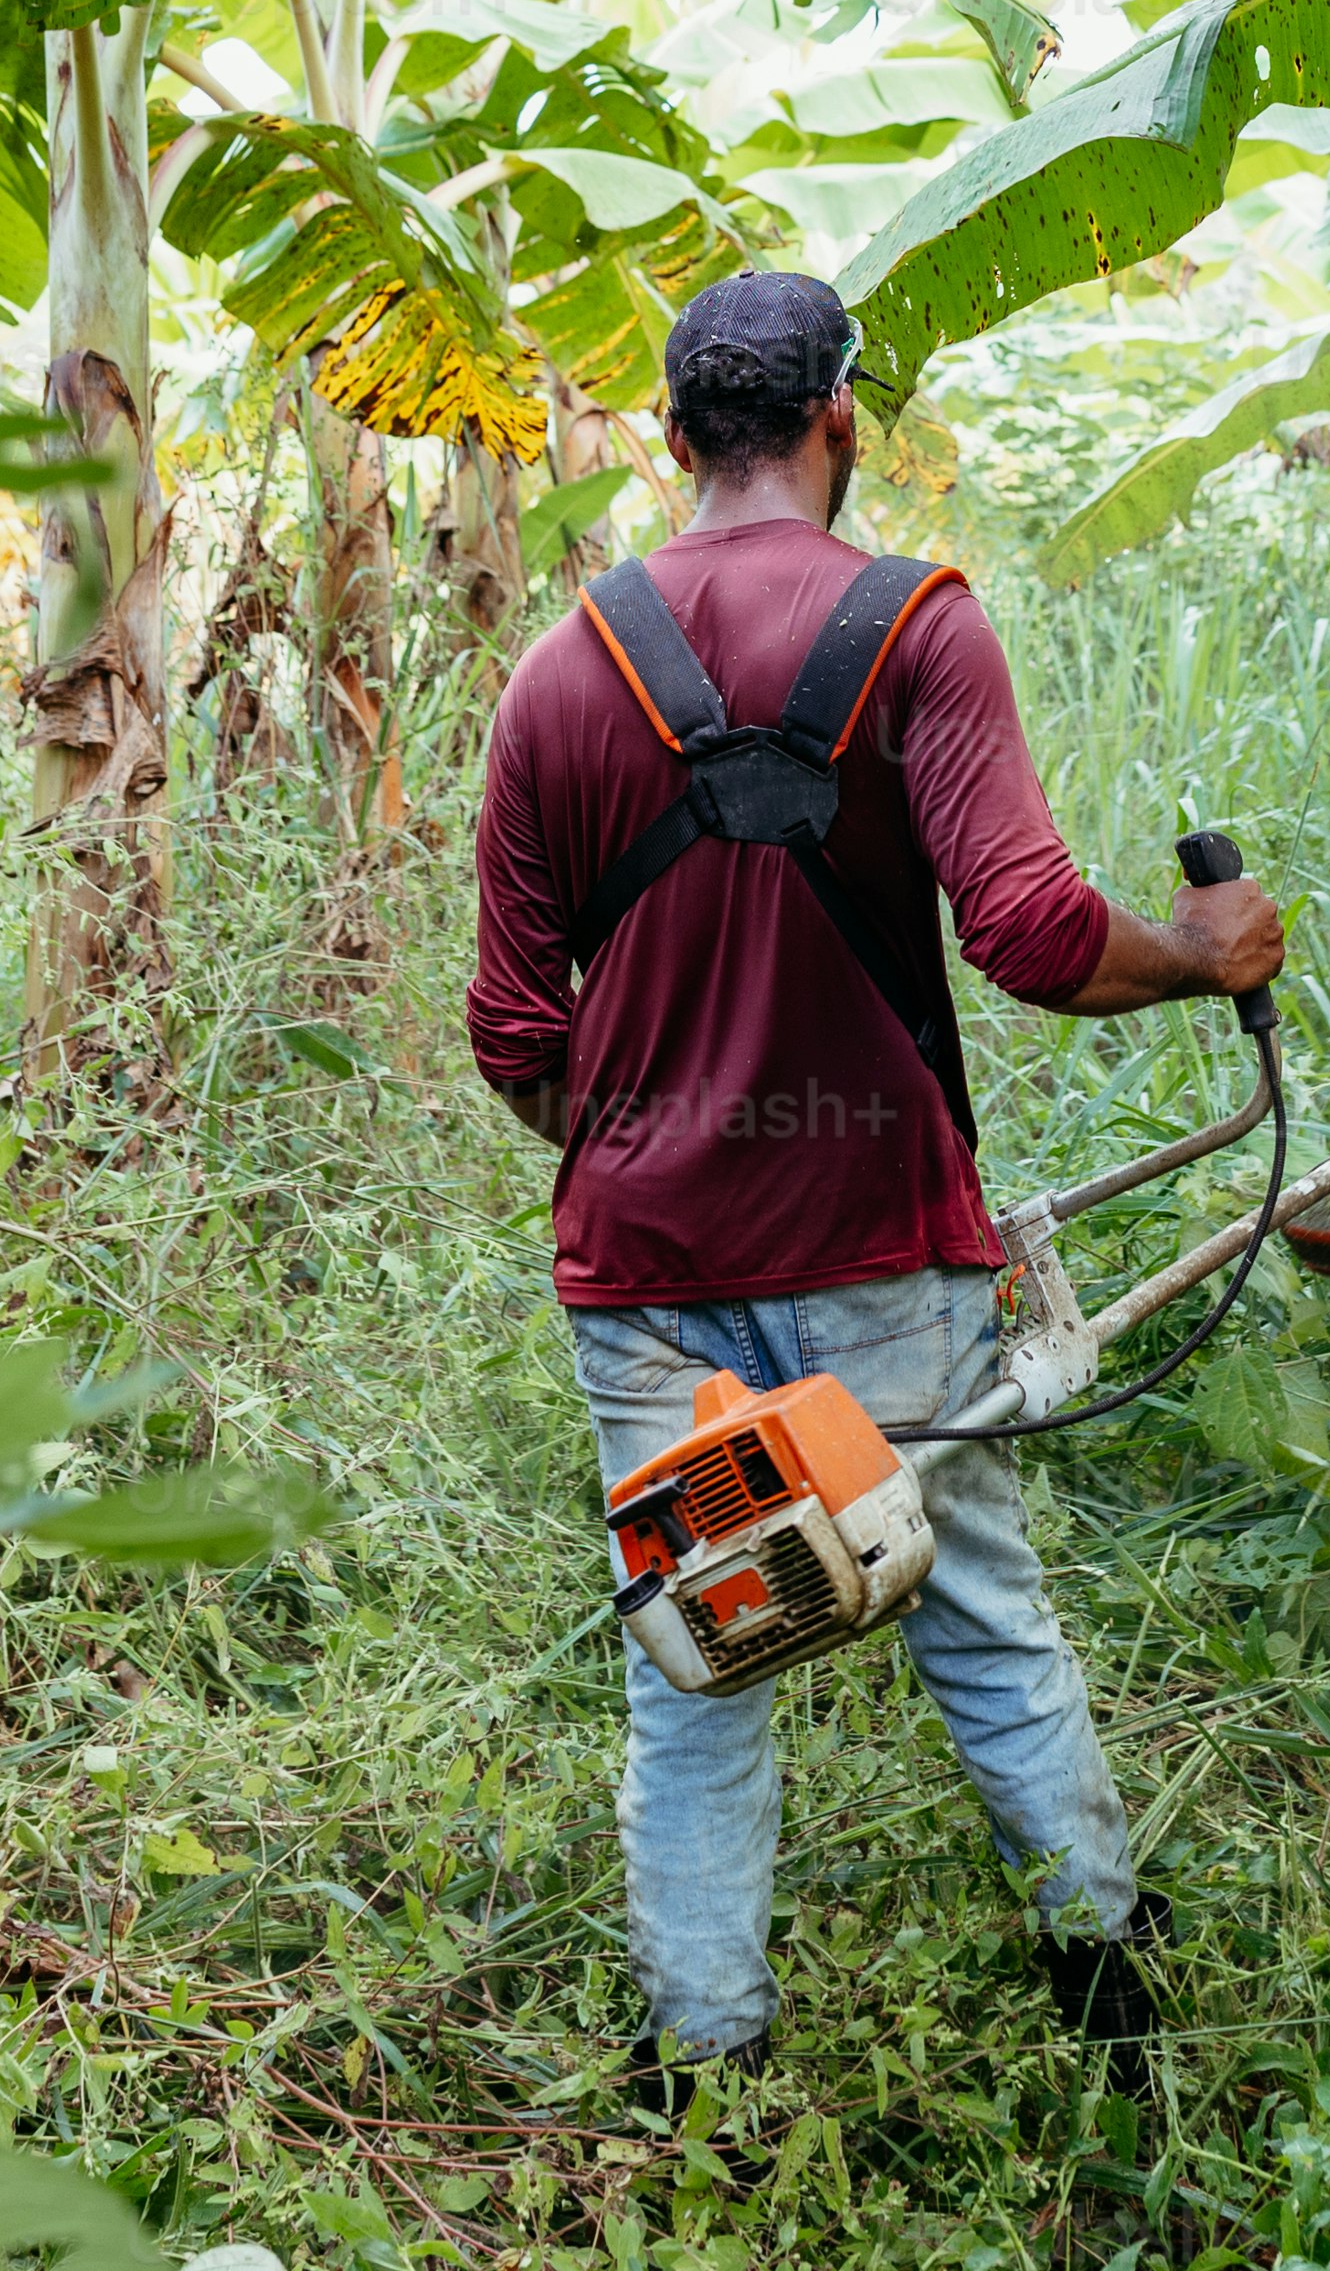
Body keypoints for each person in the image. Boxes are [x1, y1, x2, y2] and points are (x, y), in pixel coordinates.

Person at [466, 263, 1287, 2087]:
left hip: (643, 1272)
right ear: (843, 418)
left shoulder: (554, 675)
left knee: (704, 1655)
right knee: (980, 1621)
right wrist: (1197, 954)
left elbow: (517, 1036)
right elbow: (1030, 933)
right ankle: (1106, 2005)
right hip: (875, 1249)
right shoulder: (917, 623)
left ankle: (706, 2077)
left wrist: (649, 1146)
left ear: (677, 438)